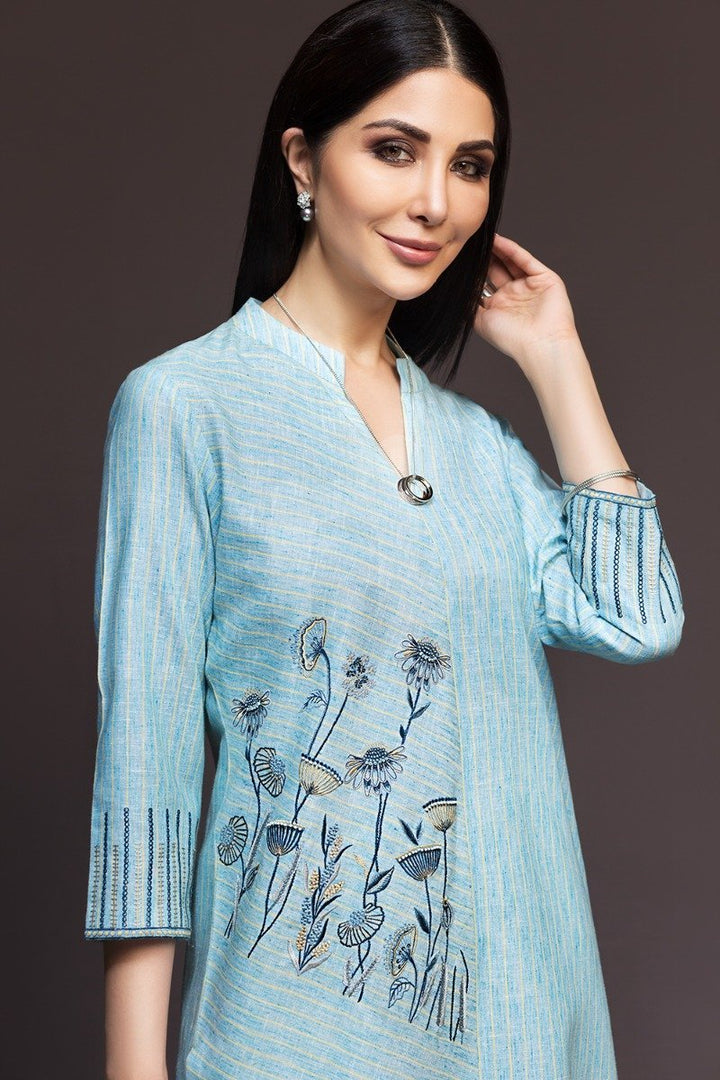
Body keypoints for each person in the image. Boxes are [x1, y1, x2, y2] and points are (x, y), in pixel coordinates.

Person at [83, 2, 685, 1078]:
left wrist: (558, 360)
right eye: (395, 150)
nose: (435, 202)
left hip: (528, 1024)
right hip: (298, 1035)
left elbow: (637, 617)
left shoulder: (478, 446)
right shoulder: (185, 407)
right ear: (303, 160)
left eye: (470, 166)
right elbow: (146, 774)